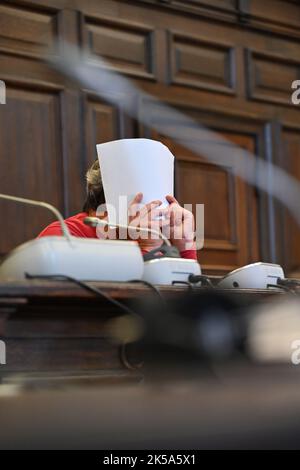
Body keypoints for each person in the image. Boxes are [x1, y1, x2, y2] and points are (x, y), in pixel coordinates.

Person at [38, 160, 197, 260]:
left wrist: (183, 248)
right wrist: (147, 249)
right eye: (145, 210)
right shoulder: (61, 237)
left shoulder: (154, 236)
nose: (152, 220)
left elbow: (186, 306)